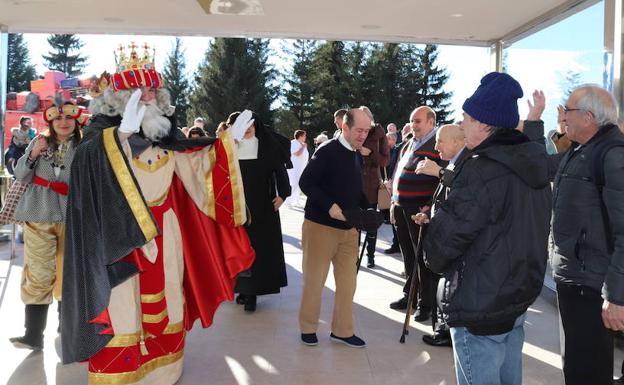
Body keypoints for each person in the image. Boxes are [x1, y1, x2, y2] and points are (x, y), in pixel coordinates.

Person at [60, 43, 255, 385]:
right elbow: (86, 172)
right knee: (124, 304)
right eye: (138, 89)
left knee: (167, 296)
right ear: (119, 95)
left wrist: (227, 144)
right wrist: (120, 135)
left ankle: (164, 367)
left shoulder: (168, 136)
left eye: (151, 88)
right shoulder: (97, 136)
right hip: (120, 239)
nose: (147, 96)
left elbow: (197, 166)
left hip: (167, 233)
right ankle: (122, 370)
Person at [423, 72, 551, 385]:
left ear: (483, 123)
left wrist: (433, 246)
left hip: (481, 303)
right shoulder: (532, 161)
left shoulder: (483, 169)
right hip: (514, 297)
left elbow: (445, 243)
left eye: (466, 117)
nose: (462, 123)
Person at [546, 85, 624, 385]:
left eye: (568, 110)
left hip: (593, 286)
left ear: (589, 117)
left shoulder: (612, 155)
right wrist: (535, 122)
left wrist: (616, 296)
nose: (563, 116)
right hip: (576, 280)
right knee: (577, 366)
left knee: (588, 370)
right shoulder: (580, 150)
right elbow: (536, 167)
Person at [8, 103, 83, 350]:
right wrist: (32, 155)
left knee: (67, 273)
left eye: (68, 117)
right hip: (38, 213)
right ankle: (33, 335)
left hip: (72, 215)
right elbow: (20, 174)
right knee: (38, 273)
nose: (63, 122)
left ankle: (66, 326)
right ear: (50, 122)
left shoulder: (85, 147)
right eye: (58, 118)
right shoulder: (38, 142)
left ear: (76, 120)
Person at [298, 107, 371, 348]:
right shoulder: (327, 150)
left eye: (367, 131)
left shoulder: (356, 154)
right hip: (320, 227)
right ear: (345, 127)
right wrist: (329, 205)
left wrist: (367, 208)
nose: (363, 135)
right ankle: (308, 328)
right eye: (359, 130)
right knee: (315, 282)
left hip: (349, 230)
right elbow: (305, 182)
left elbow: (353, 188)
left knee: (348, 284)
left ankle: (342, 330)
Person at [228, 111, 291, 312]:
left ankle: (252, 293)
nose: (247, 130)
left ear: (256, 127)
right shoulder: (230, 149)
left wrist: (283, 195)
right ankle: (243, 289)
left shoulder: (266, 147)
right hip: (237, 208)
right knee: (239, 248)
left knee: (258, 249)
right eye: (243, 127)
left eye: (251, 126)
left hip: (262, 208)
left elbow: (280, 172)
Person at [413, 123, 467, 348]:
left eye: (440, 141)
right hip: (442, 233)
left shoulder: (467, 164)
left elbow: (463, 195)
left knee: (450, 287)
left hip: (455, 240)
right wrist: (429, 214)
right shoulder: (453, 162)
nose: (436, 147)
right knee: (442, 285)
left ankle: (446, 331)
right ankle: (442, 328)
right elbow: (444, 198)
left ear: (456, 141)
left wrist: (438, 171)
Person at [388, 106, 443, 323]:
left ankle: (425, 304)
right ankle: (409, 295)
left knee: (422, 258)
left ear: (431, 122)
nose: (413, 125)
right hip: (402, 206)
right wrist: (394, 201)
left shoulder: (438, 144)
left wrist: (430, 206)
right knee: (408, 255)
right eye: (412, 121)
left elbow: (444, 179)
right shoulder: (410, 142)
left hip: (420, 211)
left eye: (418, 121)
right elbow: (398, 171)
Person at [360, 118, 389, 268]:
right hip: (354, 184)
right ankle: (352, 255)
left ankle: (370, 256)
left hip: (371, 185)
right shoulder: (353, 132)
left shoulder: (379, 134)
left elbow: (385, 161)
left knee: (370, 221)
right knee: (353, 222)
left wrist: (370, 153)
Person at [285, 130, 309, 208]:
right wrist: (303, 147)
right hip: (294, 169)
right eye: (304, 136)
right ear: (300, 136)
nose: (305, 137)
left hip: (301, 168)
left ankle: (296, 200)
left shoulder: (302, 144)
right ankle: (288, 202)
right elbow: (297, 154)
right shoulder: (293, 143)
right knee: (293, 184)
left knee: (299, 184)